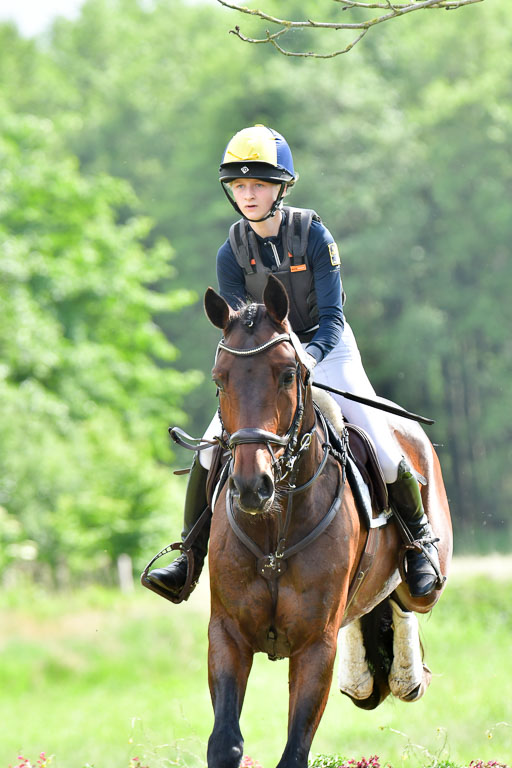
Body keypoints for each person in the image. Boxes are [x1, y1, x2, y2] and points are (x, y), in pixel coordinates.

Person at [146, 124, 441, 601]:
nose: (248, 194)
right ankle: (189, 556)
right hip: (267, 360)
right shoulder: (231, 252)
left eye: (258, 184)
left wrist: (306, 359)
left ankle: (419, 543)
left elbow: (331, 319)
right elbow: (241, 326)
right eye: (239, 186)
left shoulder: (314, 237)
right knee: (209, 445)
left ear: (280, 187)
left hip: (327, 348)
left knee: (382, 443)